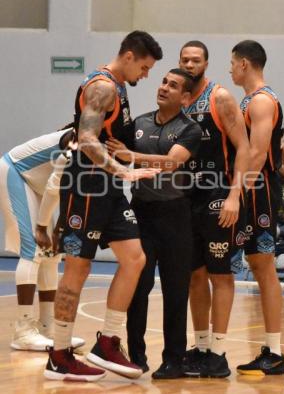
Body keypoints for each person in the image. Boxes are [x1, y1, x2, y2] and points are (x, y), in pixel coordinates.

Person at [42, 31, 163, 382]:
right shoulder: (104, 87)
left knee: (135, 258)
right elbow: (87, 139)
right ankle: (60, 354)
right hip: (88, 186)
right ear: (127, 56)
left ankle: (107, 341)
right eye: (143, 67)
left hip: (107, 189)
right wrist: (124, 170)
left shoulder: (118, 86)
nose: (145, 75)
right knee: (77, 270)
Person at [107, 68, 202, 379]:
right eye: (163, 82)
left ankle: (174, 360)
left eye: (173, 86)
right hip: (142, 214)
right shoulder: (139, 123)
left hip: (176, 216)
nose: (163, 88)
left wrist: (130, 155)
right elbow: (115, 151)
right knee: (138, 286)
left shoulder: (190, 130)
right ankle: (135, 356)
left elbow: (172, 162)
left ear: (186, 98)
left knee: (176, 291)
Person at [179, 41, 250, 377]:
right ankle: (203, 346)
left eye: (196, 60)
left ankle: (219, 354)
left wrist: (235, 196)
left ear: (206, 63)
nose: (190, 64)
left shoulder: (220, 97)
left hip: (218, 196)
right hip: (185, 200)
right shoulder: (177, 99)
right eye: (185, 60)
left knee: (220, 275)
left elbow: (245, 148)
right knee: (194, 275)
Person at [231, 39, 284, 375]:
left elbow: (257, 152)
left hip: (259, 190)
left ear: (245, 64)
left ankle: (276, 352)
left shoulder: (262, 100)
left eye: (233, 63)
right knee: (257, 265)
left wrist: (236, 192)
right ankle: (271, 348)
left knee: (264, 268)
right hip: (255, 188)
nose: (230, 69)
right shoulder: (252, 100)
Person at [0, 129, 84, 351]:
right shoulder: (73, 145)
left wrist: (58, 231)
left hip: (38, 185)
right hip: (15, 173)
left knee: (52, 255)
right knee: (33, 250)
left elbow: (69, 194)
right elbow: (55, 187)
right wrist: (41, 229)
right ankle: (23, 332)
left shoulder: (97, 146)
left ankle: (47, 328)